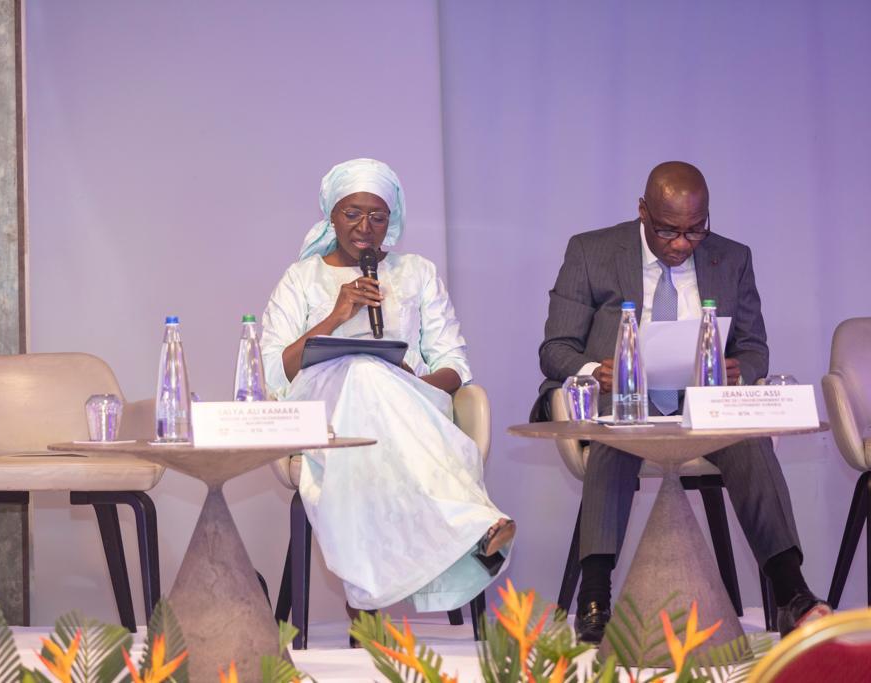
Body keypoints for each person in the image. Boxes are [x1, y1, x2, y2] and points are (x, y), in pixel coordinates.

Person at [534, 161, 830, 643]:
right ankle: (595, 597)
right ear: (642, 211)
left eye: (695, 231)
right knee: (617, 436)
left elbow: (754, 347)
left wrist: (740, 370)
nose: (681, 244)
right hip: (625, 400)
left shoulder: (732, 258)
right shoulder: (591, 252)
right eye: (668, 230)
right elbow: (555, 349)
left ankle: (791, 594)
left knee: (751, 442)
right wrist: (594, 371)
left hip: (702, 407)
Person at [261, 158, 515, 638]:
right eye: (352, 213)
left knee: (373, 379)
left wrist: (408, 381)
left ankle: (367, 600)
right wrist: (336, 316)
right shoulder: (300, 278)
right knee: (361, 371)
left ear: (391, 220)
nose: (365, 227)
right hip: (325, 415)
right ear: (331, 216)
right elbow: (275, 373)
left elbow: (454, 365)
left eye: (377, 216)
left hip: (410, 405)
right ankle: (469, 524)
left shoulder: (417, 273)